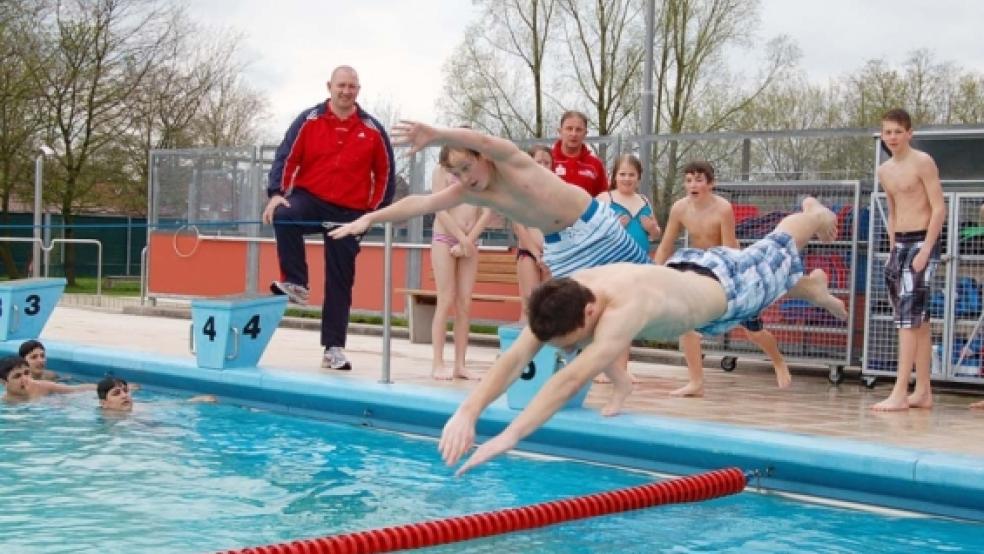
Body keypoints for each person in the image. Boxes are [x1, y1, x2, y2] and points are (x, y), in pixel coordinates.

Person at [438, 197, 847, 476]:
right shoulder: (566, 294)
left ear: (591, 312)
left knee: (780, 243)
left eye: (567, 342)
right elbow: (514, 358)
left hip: (729, 290)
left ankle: (812, 213)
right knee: (774, 280)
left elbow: (568, 380)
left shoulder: (622, 311)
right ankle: (810, 287)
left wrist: (509, 436)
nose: (563, 351)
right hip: (687, 271)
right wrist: (467, 412)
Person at [329, 121, 650, 409]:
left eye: (468, 167)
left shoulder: (512, 162)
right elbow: (421, 203)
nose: (465, 179)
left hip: (592, 226)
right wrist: (371, 218)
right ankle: (619, 381)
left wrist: (438, 134)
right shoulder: (470, 191)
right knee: (578, 325)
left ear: (483, 157)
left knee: (653, 289)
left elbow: (481, 138)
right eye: (457, 174)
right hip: (563, 249)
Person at [262, 65, 396, 371]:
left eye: (352, 86)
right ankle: (296, 282)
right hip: (311, 199)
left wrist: (370, 215)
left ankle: (333, 348)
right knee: (284, 214)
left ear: (358, 90)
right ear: (329, 87)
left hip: (350, 213)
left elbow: (385, 174)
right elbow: (287, 156)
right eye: (341, 85)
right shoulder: (309, 120)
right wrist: (275, 192)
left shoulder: (372, 129)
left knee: (340, 281)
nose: (346, 91)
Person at [653, 161, 791, 397]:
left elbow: (729, 249)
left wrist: (728, 283)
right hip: (700, 266)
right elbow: (665, 246)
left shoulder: (722, 208)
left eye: (698, 180)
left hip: (729, 266)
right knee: (688, 324)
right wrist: (653, 274)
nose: (692, 185)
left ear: (711, 184)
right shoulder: (680, 208)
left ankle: (778, 361)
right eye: (688, 180)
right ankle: (696, 382)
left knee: (754, 332)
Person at [871, 108, 945, 412]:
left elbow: (939, 208)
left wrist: (927, 249)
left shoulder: (923, 162)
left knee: (907, 320)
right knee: (919, 321)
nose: (892, 138)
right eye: (887, 132)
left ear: (909, 133)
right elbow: (893, 209)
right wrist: (891, 247)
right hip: (899, 244)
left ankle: (900, 391)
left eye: (897, 132)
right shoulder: (884, 170)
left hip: (921, 242)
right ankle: (923, 391)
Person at [594, 154, 661, 389]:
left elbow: (655, 234)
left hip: (636, 265)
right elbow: (589, 231)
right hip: (610, 264)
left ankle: (622, 369)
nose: (626, 178)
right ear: (614, 176)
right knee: (606, 317)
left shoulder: (643, 200)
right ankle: (603, 367)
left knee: (628, 319)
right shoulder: (605, 198)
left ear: (639, 177)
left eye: (631, 174)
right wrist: (613, 226)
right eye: (622, 174)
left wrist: (652, 229)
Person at [429, 163, 492, 380]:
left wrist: (469, 240)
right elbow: (439, 207)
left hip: (470, 241)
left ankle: (460, 364)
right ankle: (438, 362)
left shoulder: (479, 171)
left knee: (465, 303)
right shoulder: (441, 170)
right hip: (445, 239)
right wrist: (461, 237)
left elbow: (486, 212)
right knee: (445, 299)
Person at [513, 145, 553, 322]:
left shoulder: (555, 190)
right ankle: (521, 347)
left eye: (547, 162)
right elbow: (519, 227)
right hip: (529, 253)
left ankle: (546, 349)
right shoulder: (520, 190)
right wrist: (536, 253)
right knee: (529, 306)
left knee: (547, 307)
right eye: (539, 162)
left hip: (550, 254)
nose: (543, 166)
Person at [551, 111, 609, 197]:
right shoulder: (548, 160)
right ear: (560, 131)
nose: (574, 134)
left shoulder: (595, 165)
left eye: (578, 130)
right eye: (569, 129)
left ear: (585, 133)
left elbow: (604, 199)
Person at [1, 356, 95, 402]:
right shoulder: (4, 404)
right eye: (17, 376)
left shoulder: (42, 387)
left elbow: (76, 389)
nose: (25, 379)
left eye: (27, 373)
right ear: (4, 382)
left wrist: (104, 388)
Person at [96, 376, 216, 412]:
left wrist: (196, 400)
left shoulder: (141, 408)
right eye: (117, 393)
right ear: (104, 403)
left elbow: (174, 405)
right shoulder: (104, 423)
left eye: (126, 391)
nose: (124, 395)